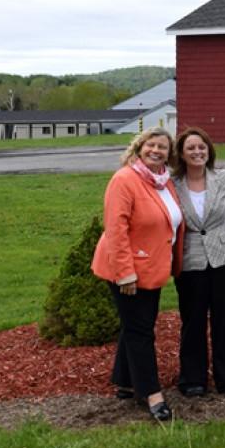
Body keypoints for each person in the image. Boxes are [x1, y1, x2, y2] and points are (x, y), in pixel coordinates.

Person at [91, 128, 184, 422]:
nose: (156, 151)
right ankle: (151, 393)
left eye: (163, 147)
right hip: (128, 271)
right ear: (139, 148)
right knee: (141, 331)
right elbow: (115, 230)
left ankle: (126, 381)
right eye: (151, 145)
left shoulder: (163, 182)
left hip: (153, 268)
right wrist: (124, 274)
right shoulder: (124, 180)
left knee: (135, 326)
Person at [171, 127, 225, 398]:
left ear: (209, 150)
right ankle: (193, 378)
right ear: (181, 153)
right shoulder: (171, 183)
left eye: (201, 147)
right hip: (191, 261)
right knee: (192, 321)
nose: (197, 152)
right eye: (190, 148)